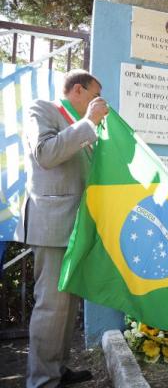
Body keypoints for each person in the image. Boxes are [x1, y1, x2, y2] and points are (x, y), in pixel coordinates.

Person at [15, 69, 109, 387]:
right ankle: (41, 380)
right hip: (53, 222)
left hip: (76, 225)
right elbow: (46, 154)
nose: (100, 104)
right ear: (79, 91)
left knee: (67, 306)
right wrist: (90, 122)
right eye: (96, 96)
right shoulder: (42, 109)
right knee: (52, 306)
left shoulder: (82, 126)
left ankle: (56, 369)